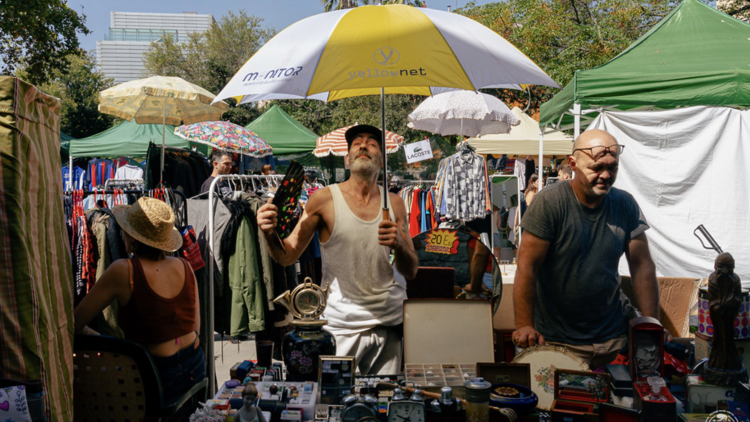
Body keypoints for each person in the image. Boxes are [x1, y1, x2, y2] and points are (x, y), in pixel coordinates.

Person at [257, 124, 418, 375]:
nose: (364, 145)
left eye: (372, 143)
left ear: (382, 160)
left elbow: (411, 270)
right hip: (340, 327)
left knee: (384, 406)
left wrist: (399, 244)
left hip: (389, 324)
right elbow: (287, 255)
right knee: (337, 405)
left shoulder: (395, 204)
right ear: (348, 158)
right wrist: (269, 232)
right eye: (357, 143)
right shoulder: (324, 199)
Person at [512, 129, 659, 369]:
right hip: (557, 343)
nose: (605, 175)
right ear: (573, 164)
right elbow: (527, 267)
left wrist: (651, 325)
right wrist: (525, 325)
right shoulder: (550, 203)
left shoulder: (624, 204)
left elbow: (642, 265)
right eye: (597, 167)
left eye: (613, 168)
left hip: (613, 340)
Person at [74, 197, 205, 401]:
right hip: (195, 363)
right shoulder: (185, 266)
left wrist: (118, 349)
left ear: (132, 236)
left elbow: (75, 323)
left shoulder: (124, 270)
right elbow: (195, 327)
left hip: (153, 372)